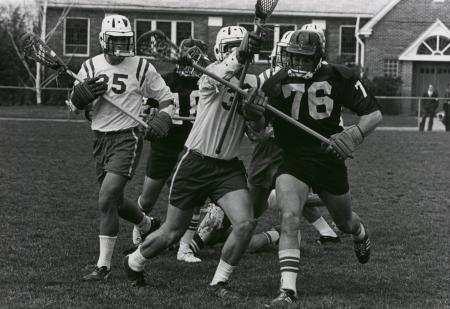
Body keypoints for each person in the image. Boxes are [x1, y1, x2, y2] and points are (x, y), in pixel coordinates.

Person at [123, 25, 265, 299]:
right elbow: (224, 76)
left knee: (246, 223)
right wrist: (242, 54)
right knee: (171, 232)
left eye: (242, 45)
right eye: (233, 47)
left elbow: (257, 134)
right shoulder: (210, 73)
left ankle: (219, 283)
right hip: (196, 162)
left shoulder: (254, 83)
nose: (238, 51)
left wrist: (255, 114)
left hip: (227, 166)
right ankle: (133, 262)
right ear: (222, 51)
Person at [259, 25, 382, 307]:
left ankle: (360, 232)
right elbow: (257, 129)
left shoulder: (338, 76)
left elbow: (373, 114)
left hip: (328, 156)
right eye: (294, 57)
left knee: (344, 222)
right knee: (289, 216)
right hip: (293, 157)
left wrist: (354, 133)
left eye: (305, 58)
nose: (299, 63)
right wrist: (253, 113)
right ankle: (287, 290)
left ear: (318, 57)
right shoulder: (275, 81)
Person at [68, 14, 174, 281]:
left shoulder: (141, 67)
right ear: (104, 39)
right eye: (115, 40)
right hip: (100, 139)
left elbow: (166, 97)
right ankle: (147, 223)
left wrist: (163, 117)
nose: (121, 46)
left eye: (125, 40)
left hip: (128, 138)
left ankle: (103, 267)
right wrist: (80, 100)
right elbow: (73, 108)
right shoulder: (90, 66)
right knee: (113, 201)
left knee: (106, 198)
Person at [131, 38, 210, 263]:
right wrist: (148, 119)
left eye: (194, 58)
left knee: (193, 199)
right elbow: (145, 113)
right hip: (164, 146)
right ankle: (140, 227)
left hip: (193, 148)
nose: (189, 63)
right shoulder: (164, 81)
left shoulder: (208, 82)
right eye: (187, 57)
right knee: (147, 199)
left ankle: (184, 247)